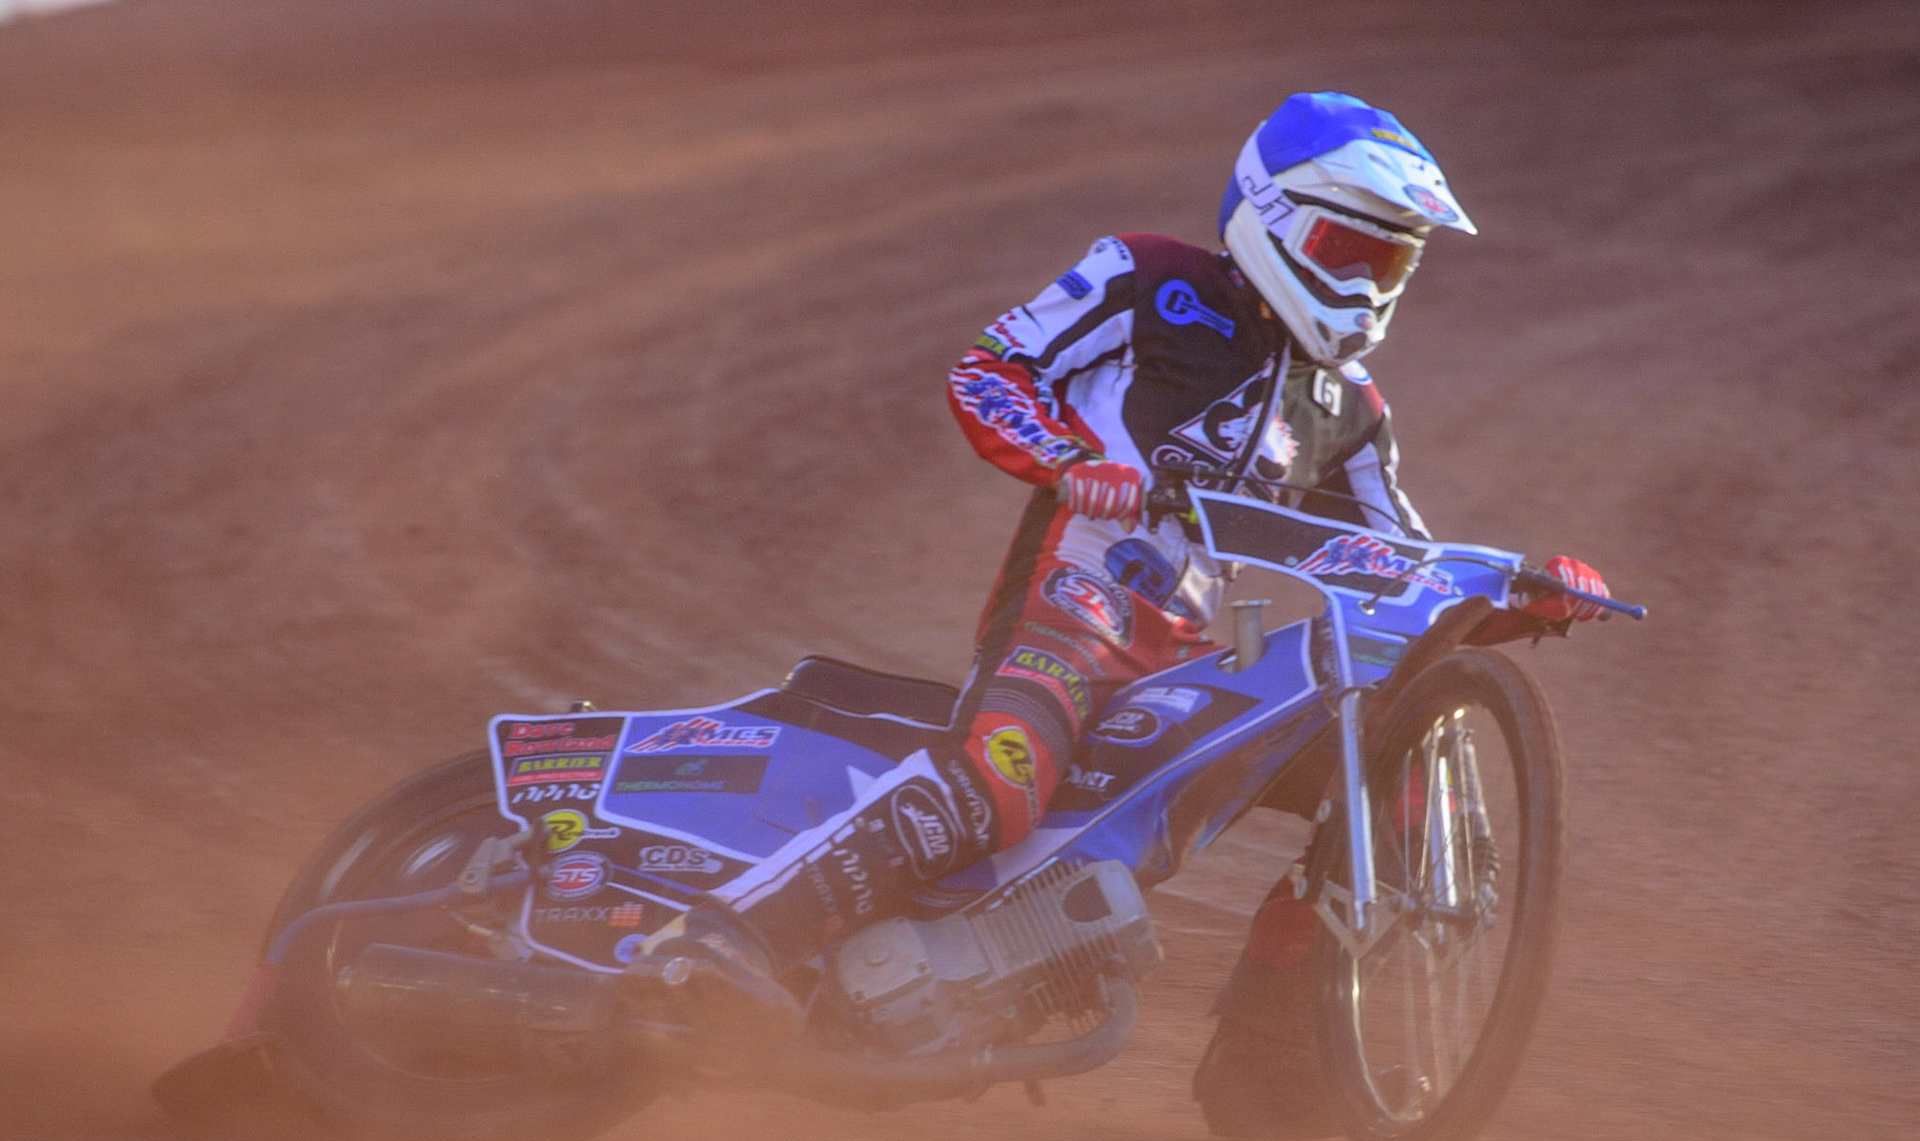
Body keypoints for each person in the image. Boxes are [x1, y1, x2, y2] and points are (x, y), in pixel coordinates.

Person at [648, 92, 1611, 1065]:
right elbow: (991, 370)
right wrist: (1070, 459)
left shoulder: (1351, 410)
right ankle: (733, 935)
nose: (1367, 285)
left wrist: (1515, 596)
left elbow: (1402, 569)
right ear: (1273, 216)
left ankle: (1278, 1070)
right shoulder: (1148, 277)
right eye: (1349, 250)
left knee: (1391, 759)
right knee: (1005, 780)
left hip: (1194, 656)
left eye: (1391, 263)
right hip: (1075, 597)